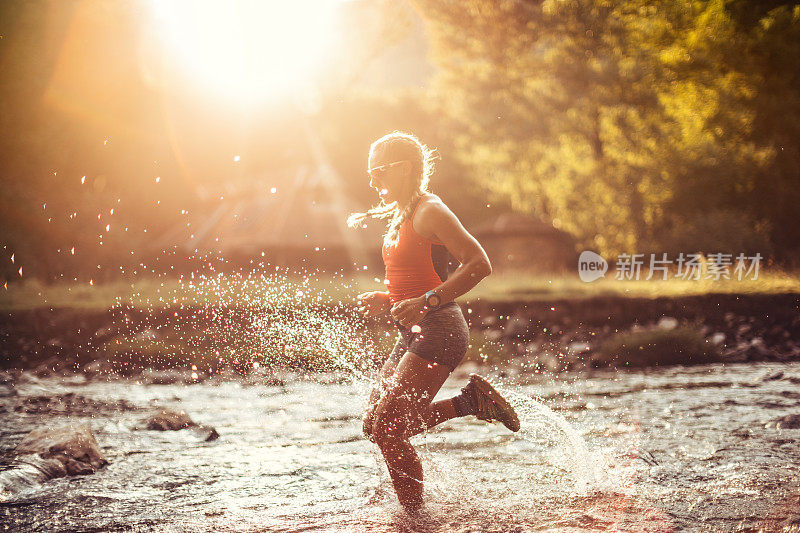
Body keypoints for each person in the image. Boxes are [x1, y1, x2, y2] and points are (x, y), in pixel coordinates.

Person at [348, 131, 521, 511]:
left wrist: (428, 300)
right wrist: (389, 298)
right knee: (374, 426)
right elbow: (416, 275)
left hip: (440, 330)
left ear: (404, 168)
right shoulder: (403, 213)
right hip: (413, 332)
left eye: (378, 170)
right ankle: (469, 402)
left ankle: (415, 521)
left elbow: (479, 263)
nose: (372, 179)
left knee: (389, 432)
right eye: (370, 171)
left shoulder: (430, 211)